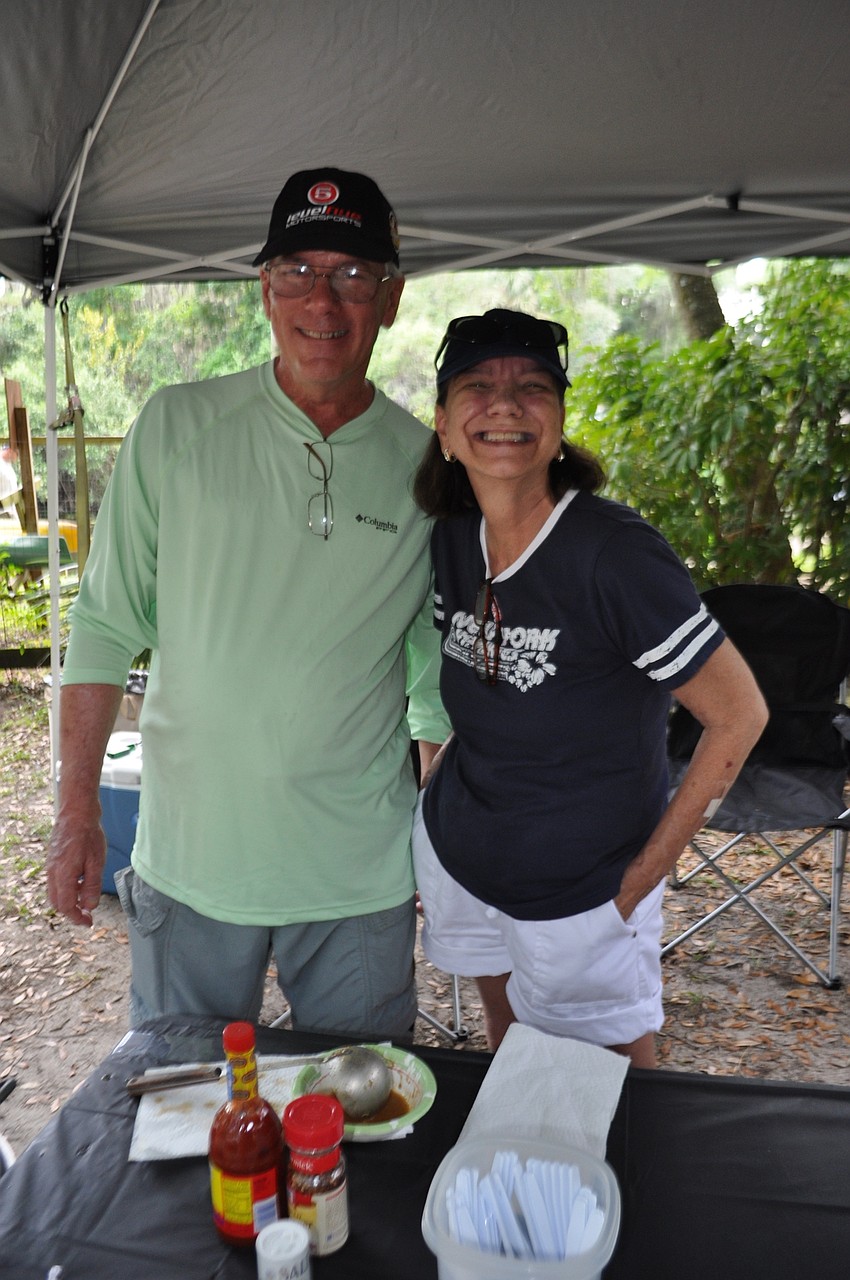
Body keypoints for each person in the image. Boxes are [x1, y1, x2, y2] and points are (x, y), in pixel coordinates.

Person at [47, 168, 449, 1038]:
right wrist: (77, 814)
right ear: (263, 289)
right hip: (194, 864)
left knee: (358, 1128)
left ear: (392, 298)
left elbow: (433, 672)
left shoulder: (430, 467)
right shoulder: (176, 427)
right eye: (299, 272)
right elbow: (106, 624)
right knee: (180, 1118)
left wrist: (444, 842)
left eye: (353, 275)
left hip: (359, 875)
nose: (324, 302)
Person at [411, 308, 768, 1067]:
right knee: (515, 1059)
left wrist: (642, 879)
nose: (505, 404)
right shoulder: (450, 538)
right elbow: (462, 674)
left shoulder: (614, 554)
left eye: (533, 387)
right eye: (478, 386)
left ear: (559, 420)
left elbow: (739, 715)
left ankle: (619, 1193)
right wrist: (434, 778)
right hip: (464, 855)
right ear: (444, 427)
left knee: (612, 1092)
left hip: (587, 887)